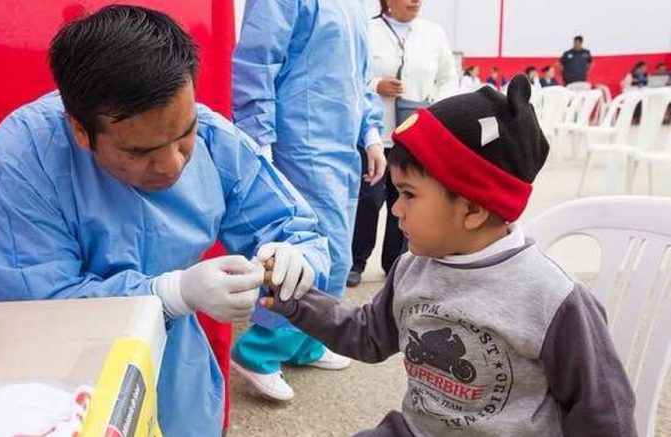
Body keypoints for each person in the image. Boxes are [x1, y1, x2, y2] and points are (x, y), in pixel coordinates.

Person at [0, 6, 330, 436]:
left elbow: (292, 224)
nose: (172, 164)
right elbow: (36, 305)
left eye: (184, 134)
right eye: (139, 152)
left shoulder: (213, 137)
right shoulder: (24, 158)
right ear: (81, 130)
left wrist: (294, 255)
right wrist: (168, 294)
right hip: (50, 370)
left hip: (174, 362)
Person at [260, 75, 638, 437]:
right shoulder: (412, 268)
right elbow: (367, 333)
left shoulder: (553, 297)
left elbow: (603, 409)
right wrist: (296, 299)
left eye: (408, 194)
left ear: (472, 210)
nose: (395, 210)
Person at [230, 0, 386, 401]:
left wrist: (370, 132)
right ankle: (260, 349)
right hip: (301, 138)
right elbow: (257, 61)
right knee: (303, 247)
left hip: (341, 142)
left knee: (336, 250)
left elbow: (361, 76)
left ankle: (307, 341)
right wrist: (257, 136)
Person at [349, 0, 457, 286]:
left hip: (415, 136)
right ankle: (356, 261)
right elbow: (350, 76)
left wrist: (434, 105)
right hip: (373, 134)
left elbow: (448, 78)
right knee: (368, 201)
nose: (415, 1)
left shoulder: (433, 33)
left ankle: (395, 264)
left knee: (406, 199)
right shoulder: (367, 29)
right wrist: (376, 86)